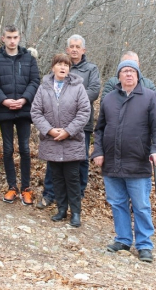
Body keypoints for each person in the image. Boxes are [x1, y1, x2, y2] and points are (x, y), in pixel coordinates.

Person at [92, 60, 156, 263]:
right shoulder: (108, 99)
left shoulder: (150, 97)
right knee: (117, 203)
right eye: (125, 71)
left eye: (132, 71)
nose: (128, 75)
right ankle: (123, 239)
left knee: (141, 205)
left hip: (138, 161)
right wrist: (98, 151)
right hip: (112, 161)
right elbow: (99, 129)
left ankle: (144, 245)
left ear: (138, 75)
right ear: (119, 75)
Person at [37, 34, 100, 208]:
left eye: (77, 47)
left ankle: (77, 194)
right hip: (54, 124)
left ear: (83, 50)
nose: (74, 49)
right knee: (53, 159)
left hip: (80, 125)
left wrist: (70, 101)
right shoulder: (59, 66)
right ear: (67, 49)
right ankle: (50, 194)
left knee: (80, 160)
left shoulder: (91, 69)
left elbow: (94, 91)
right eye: (71, 46)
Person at [31, 53, 90, 227]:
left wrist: (68, 131)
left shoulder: (78, 87)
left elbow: (84, 112)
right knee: (56, 177)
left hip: (72, 141)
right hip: (51, 141)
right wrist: (49, 130)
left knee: (72, 178)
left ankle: (76, 213)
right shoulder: (44, 88)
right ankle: (61, 210)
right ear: (53, 67)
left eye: (66, 65)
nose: (63, 67)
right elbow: (36, 112)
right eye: (59, 64)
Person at [0, 25, 40, 205]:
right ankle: (12, 187)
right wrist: (4, 101)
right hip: (5, 109)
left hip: (24, 109)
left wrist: (25, 99)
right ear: (3, 38)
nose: (12, 41)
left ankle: (26, 188)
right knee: (8, 149)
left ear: (19, 38)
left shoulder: (29, 59)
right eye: (8, 37)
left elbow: (34, 81)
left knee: (25, 149)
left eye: (15, 37)